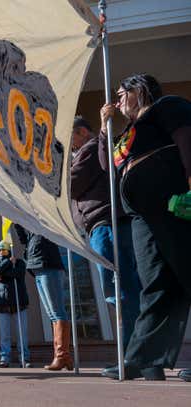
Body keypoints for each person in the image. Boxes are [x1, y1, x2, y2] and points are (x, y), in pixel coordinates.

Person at [98, 74, 191, 381]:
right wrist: (104, 128)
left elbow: (186, 137)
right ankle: (144, 358)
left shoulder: (166, 107)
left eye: (122, 93)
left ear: (139, 90)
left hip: (172, 200)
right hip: (141, 216)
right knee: (156, 284)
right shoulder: (128, 133)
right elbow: (105, 165)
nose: (117, 99)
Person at [70, 115, 141, 351]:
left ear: (81, 132)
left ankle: (135, 352)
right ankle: (139, 352)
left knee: (118, 287)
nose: (69, 144)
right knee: (122, 286)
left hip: (106, 222)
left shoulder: (89, 148)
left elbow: (72, 183)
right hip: (103, 223)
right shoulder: (90, 148)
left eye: (70, 136)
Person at [13, 224, 72, 371]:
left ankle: (61, 356)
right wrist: (15, 221)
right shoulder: (31, 230)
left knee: (57, 312)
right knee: (52, 315)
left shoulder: (42, 221)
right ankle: (64, 358)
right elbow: (23, 239)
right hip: (37, 268)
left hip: (48, 265)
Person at [0, 241, 30, 368]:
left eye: (4, 250)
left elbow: (18, 274)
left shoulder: (19, 263)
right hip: (3, 304)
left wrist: (3, 273)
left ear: (9, 250)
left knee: (21, 333)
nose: (1, 252)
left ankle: (24, 357)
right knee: (5, 334)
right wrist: (7, 263)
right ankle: (4, 358)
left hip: (19, 303)